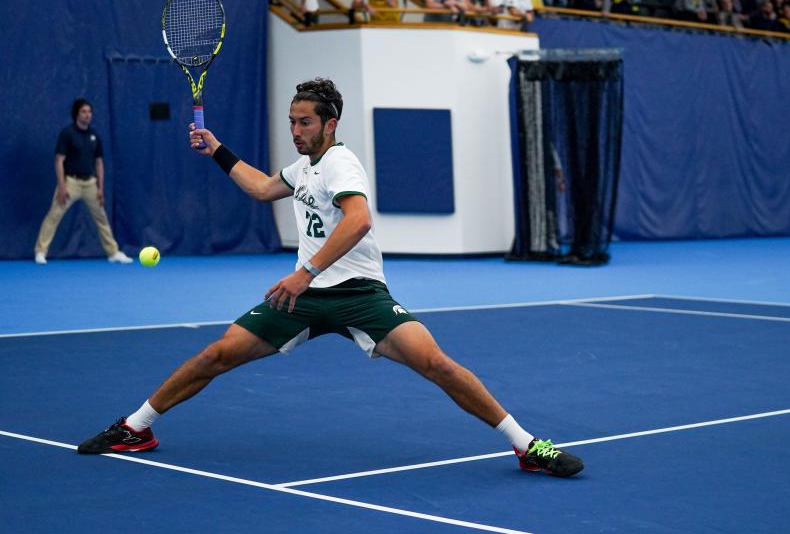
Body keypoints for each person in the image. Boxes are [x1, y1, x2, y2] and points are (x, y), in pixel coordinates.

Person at [75, 79, 585, 478]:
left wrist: (306, 271)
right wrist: (218, 150)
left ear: (329, 123)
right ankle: (135, 428)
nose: (295, 131)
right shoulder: (305, 166)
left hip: (359, 294)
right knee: (216, 355)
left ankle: (527, 445)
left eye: (303, 123)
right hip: (306, 296)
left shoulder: (341, 162)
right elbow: (261, 188)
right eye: (291, 122)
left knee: (435, 362)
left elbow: (359, 220)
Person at [35, 98, 133, 265]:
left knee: (102, 218)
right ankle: (40, 252)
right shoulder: (67, 134)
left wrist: (100, 188)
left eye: (89, 112)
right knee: (53, 216)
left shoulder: (94, 136)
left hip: (90, 184)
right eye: (84, 112)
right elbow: (59, 160)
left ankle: (113, 252)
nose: (88, 115)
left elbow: (99, 163)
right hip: (70, 183)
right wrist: (62, 186)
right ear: (77, 114)